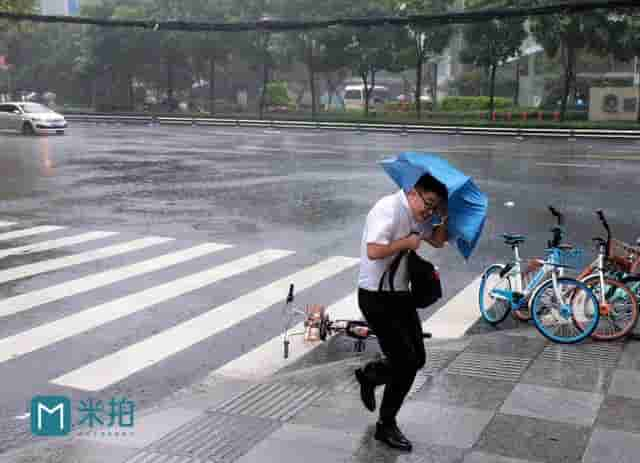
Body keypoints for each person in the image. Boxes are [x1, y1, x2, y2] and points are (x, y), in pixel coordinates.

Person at [355, 173, 448, 452]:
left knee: (417, 358)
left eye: (434, 206)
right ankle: (386, 425)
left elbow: (439, 241)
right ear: (412, 192)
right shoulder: (388, 208)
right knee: (406, 361)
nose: (428, 211)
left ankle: (372, 374)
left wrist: (443, 216)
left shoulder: (421, 215)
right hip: (376, 297)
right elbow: (373, 250)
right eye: (428, 203)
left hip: (400, 294)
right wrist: (406, 243)